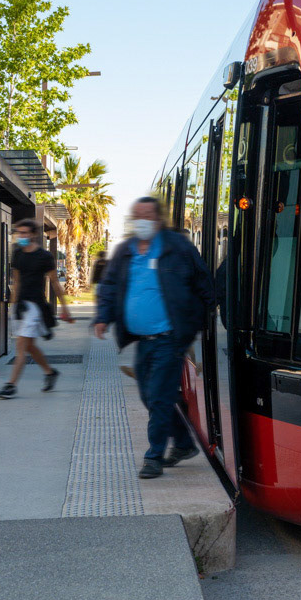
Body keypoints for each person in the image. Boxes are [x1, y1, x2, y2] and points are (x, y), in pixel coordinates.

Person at [94, 197, 216, 479]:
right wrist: (102, 316)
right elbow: (110, 286)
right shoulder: (126, 251)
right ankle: (184, 444)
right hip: (142, 340)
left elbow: (204, 282)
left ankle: (154, 457)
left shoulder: (177, 247)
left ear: (158, 219)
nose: (142, 220)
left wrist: (202, 319)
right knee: (149, 396)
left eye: (147, 215)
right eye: (137, 215)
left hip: (170, 338)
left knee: (159, 397)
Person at [0, 219, 72, 399]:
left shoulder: (45, 256)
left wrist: (65, 307)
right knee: (29, 346)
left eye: (25, 233)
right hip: (21, 307)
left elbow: (54, 282)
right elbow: (16, 281)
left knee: (21, 346)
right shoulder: (17, 254)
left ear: (32, 235)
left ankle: (11, 385)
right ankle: (49, 372)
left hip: (35, 307)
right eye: (19, 233)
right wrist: (12, 307)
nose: (21, 236)